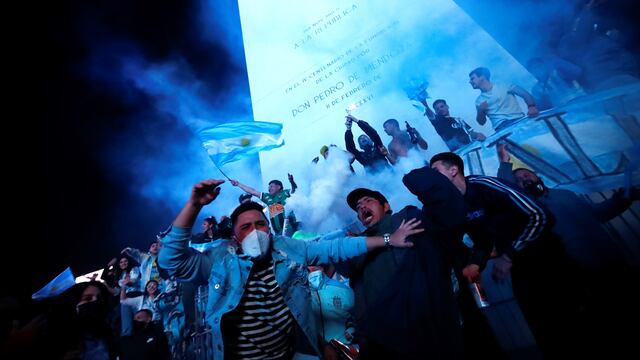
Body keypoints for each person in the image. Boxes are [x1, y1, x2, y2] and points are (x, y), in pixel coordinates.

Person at [158, 179, 422, 359]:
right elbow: (171, 259)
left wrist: (389, 239)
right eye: (246, 228)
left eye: (260, 225)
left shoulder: (289, 248)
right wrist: (194, 205)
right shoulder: (220, 260)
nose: (255, 232)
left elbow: (338, 247)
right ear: (235, 237)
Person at [430, 152, 583, 356]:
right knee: (544, 329)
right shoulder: (457, 205)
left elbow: (540, 216)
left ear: (453, 170)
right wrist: (475, 263)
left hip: (549, 261)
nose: (432, 178)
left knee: (575, 319)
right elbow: (484, 241)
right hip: (522, 269)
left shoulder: (484, 185)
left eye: (435, 171)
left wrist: (508, 255)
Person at [337, 181, 464, 359]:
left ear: (386, 206)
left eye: (368, 201)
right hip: (384, 337)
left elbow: (441, 236)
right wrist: (348, 245)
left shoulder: (405, 218)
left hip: (425, 324)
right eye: (358, 207)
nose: (362, 206)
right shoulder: (359, 244)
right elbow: (343, 267)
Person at [469, 67, 539, 131]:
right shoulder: (479, 101)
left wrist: (531, 107)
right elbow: (481, 122)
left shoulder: (504, 85)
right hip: (500, 129)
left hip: (518, 121)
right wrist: (480, 111)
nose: (470, 82)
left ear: (482, 77)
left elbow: (524, 94)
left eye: (472, 78)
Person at [231, 175, 298, 235]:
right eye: (268, 187)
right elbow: (252, 191)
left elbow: (293, 189)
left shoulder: (285, 193)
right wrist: (238, 184)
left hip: (289, 227)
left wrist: (292, 182)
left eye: (271, 186)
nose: (269, 188)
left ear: (279, 187)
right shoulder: (267, 197)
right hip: (278, 232)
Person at [422, 98, 486, 151]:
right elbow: (430, 114)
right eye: (437, 109)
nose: (440, 109)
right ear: (436, 112)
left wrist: (478, 134)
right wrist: (423, 101)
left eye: (442, 106)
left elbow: (470, 133)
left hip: (472, 147)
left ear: (447, 106)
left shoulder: (458, 120)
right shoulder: (438, 122)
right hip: (459, 154)